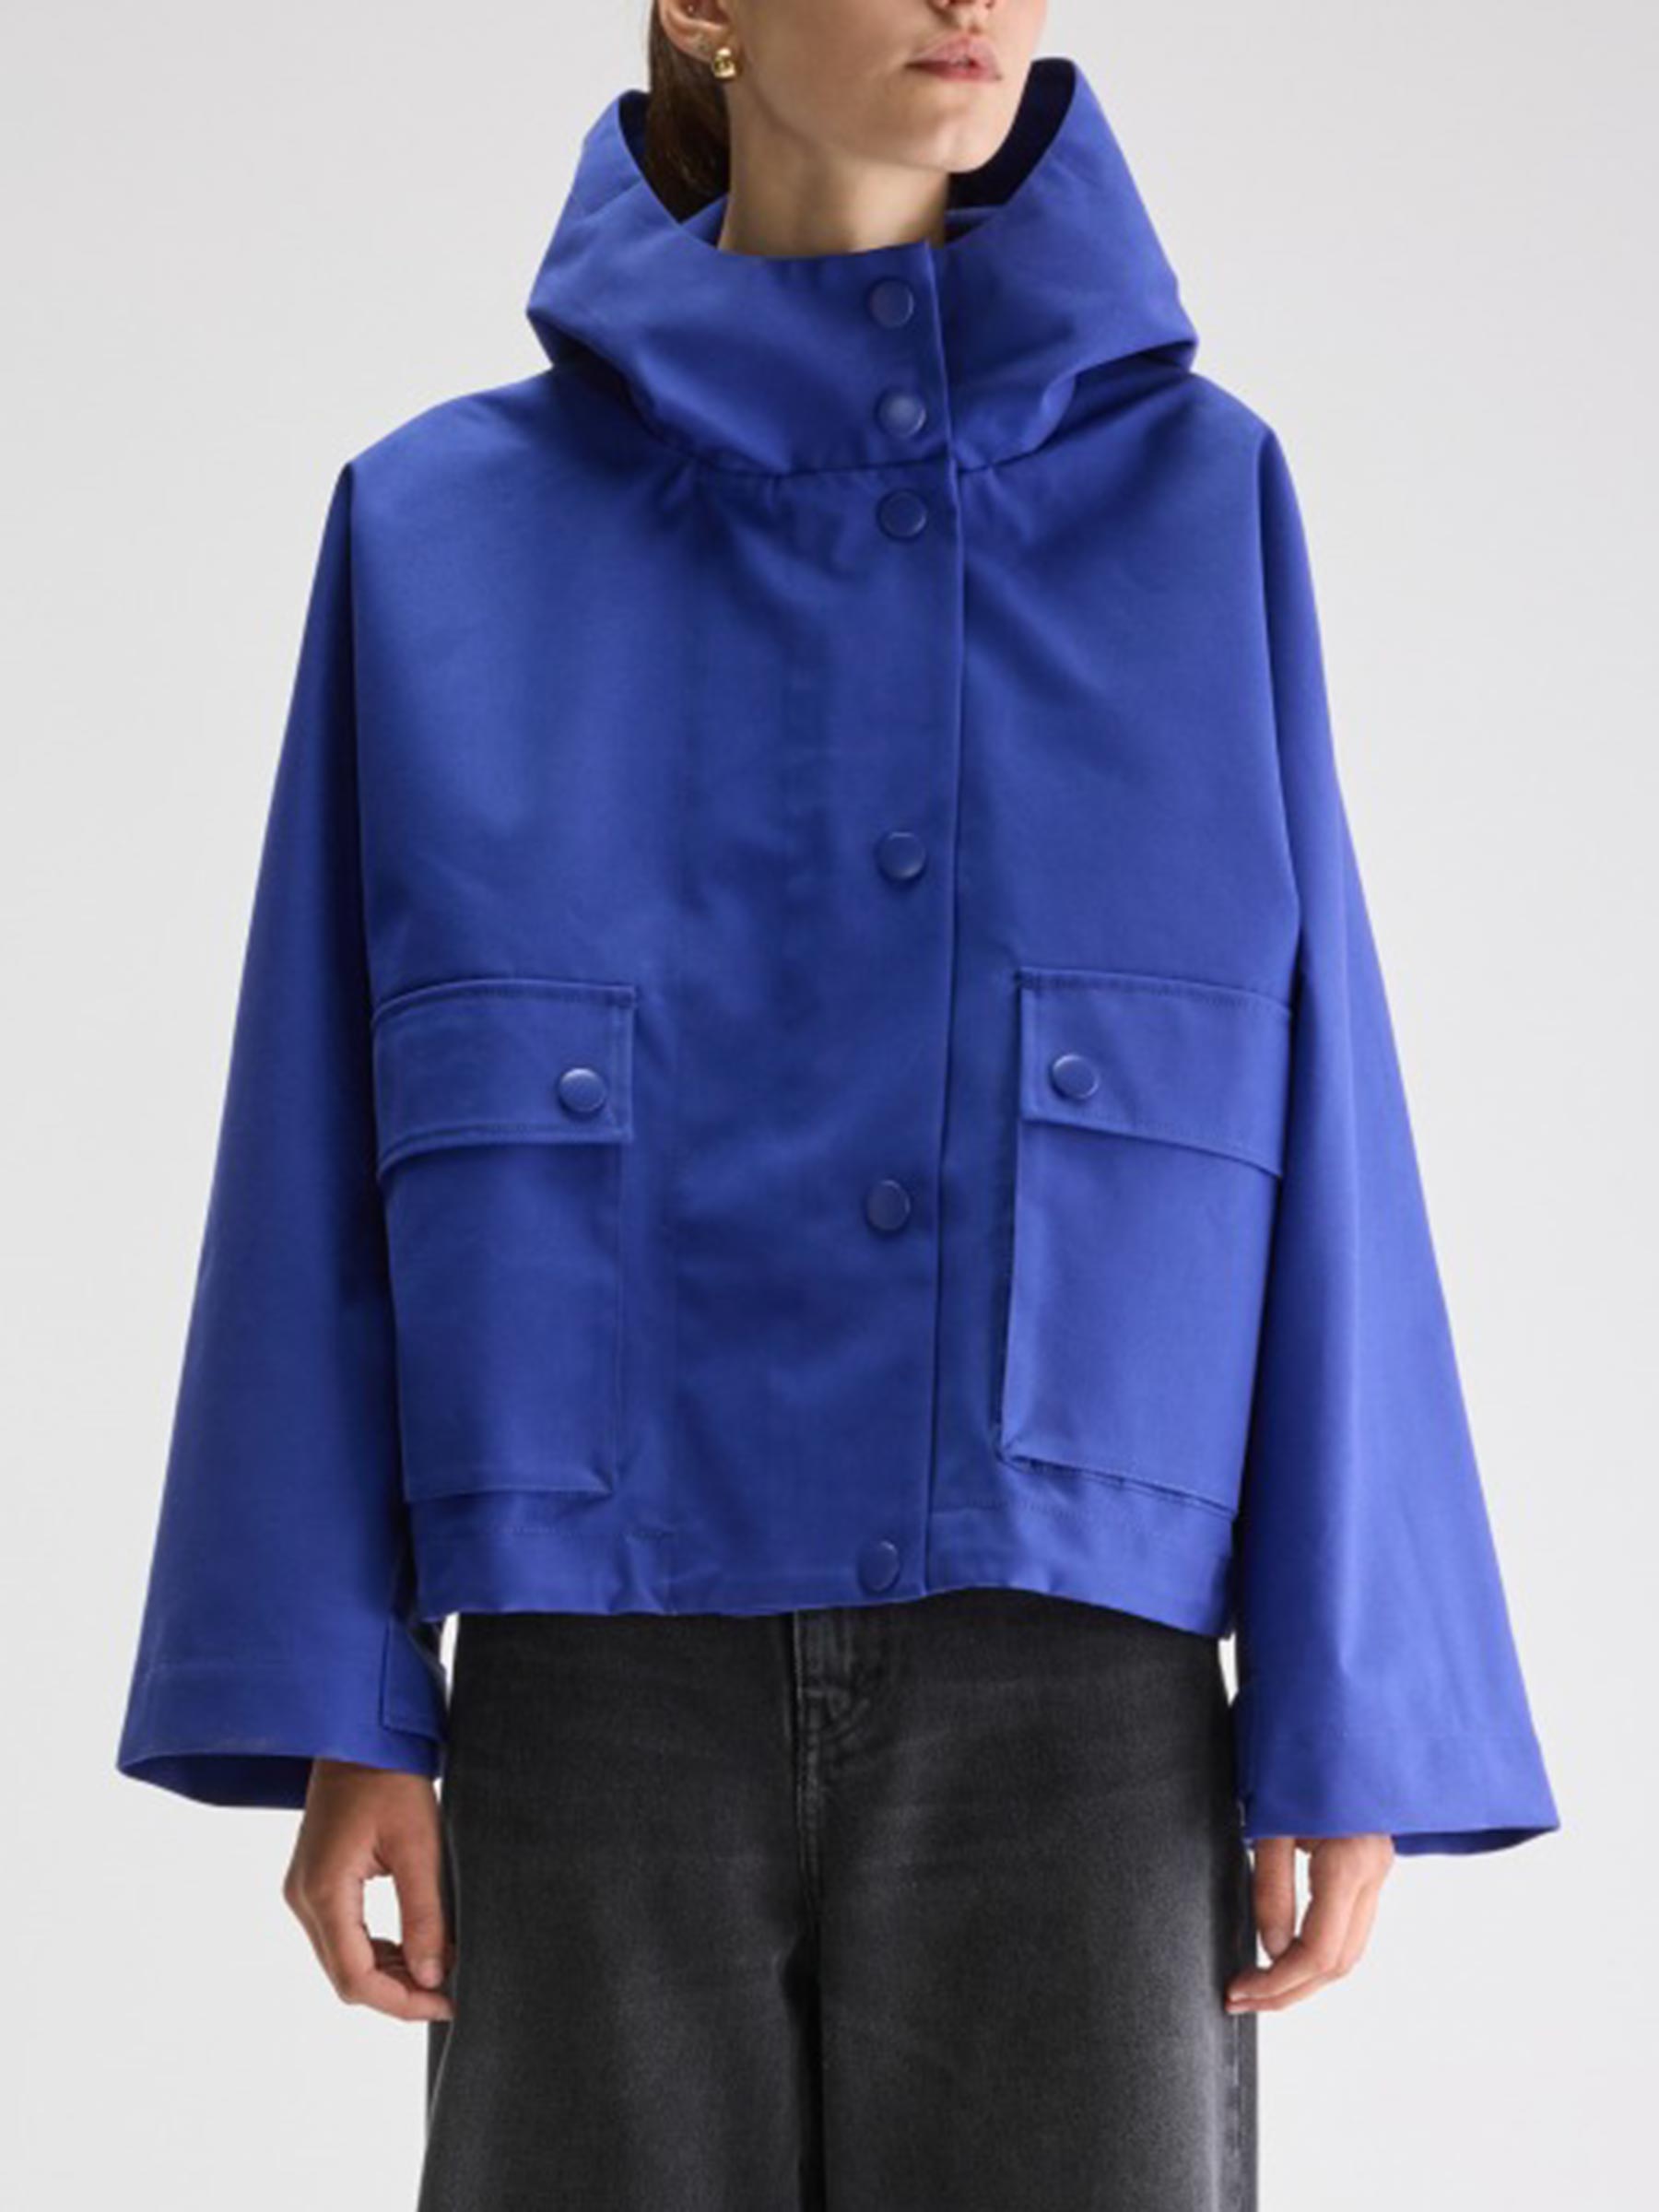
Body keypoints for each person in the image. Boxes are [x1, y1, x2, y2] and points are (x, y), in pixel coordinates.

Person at [115, 5, 1561, 2206]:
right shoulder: (437, 527)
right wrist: (344, 1695)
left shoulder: (1196, 502)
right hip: (598, 1685)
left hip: (1076, 1689)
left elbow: (1322, 1082)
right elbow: (307, 1123)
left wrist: (1348, 1697)